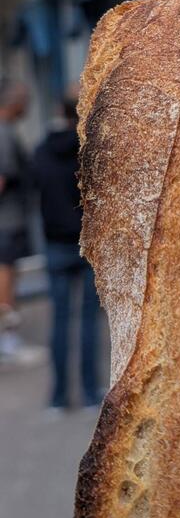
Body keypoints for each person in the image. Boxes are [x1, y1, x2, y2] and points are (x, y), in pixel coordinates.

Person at [32, 90, 101, 411]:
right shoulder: (89, 150)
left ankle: (58, 398)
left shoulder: (41, 151)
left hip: (55, 244)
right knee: (88, 320)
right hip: (86, 242)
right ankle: (89, 394)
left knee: (60, 321)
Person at [0, 80, 45, 367]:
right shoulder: (3, 135)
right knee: (5, 279)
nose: (28, 104)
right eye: (25, 98)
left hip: (9, 223)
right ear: (13, 101)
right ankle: (8, 342)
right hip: (5, 225)